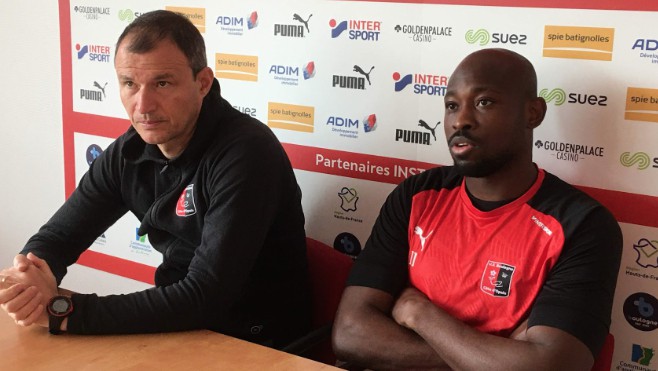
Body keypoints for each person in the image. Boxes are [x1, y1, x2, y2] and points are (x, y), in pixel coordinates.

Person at [0, 10, 310, 349]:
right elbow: (58, 237)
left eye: (162, 83)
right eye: (129, 84)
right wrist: (31, 279)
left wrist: (66, 312)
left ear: (202, 83)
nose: (143, 106)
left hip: (254, 341)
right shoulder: (129, 151)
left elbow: (205, 297)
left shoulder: (247, 152)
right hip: (179, 328)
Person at [332, 48, 622, 370]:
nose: (461, 120)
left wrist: (420, 314)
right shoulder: (417, 195)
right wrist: (495, 356)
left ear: (533, 113)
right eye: (452, 106)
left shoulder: (582, 225)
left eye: (484, 102)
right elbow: (350, 333)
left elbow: (551, 366)